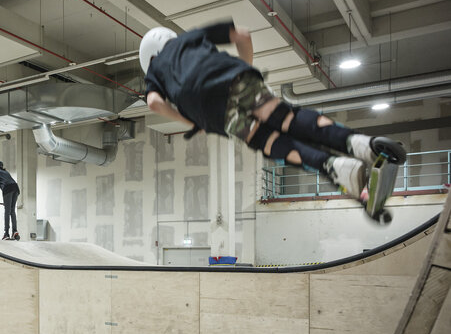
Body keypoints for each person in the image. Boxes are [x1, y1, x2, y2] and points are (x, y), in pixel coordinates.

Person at [140, 22, 405, 202]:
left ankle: (339, 168)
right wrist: (243, 73)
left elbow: (154, 103)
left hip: (212, 113)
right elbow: (242, 34)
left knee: (266, 140)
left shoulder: (154, 70)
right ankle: (360, 144)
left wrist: (185, 119)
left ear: (150, 57)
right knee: (286, 118)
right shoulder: (190, 37)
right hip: (235, 77)